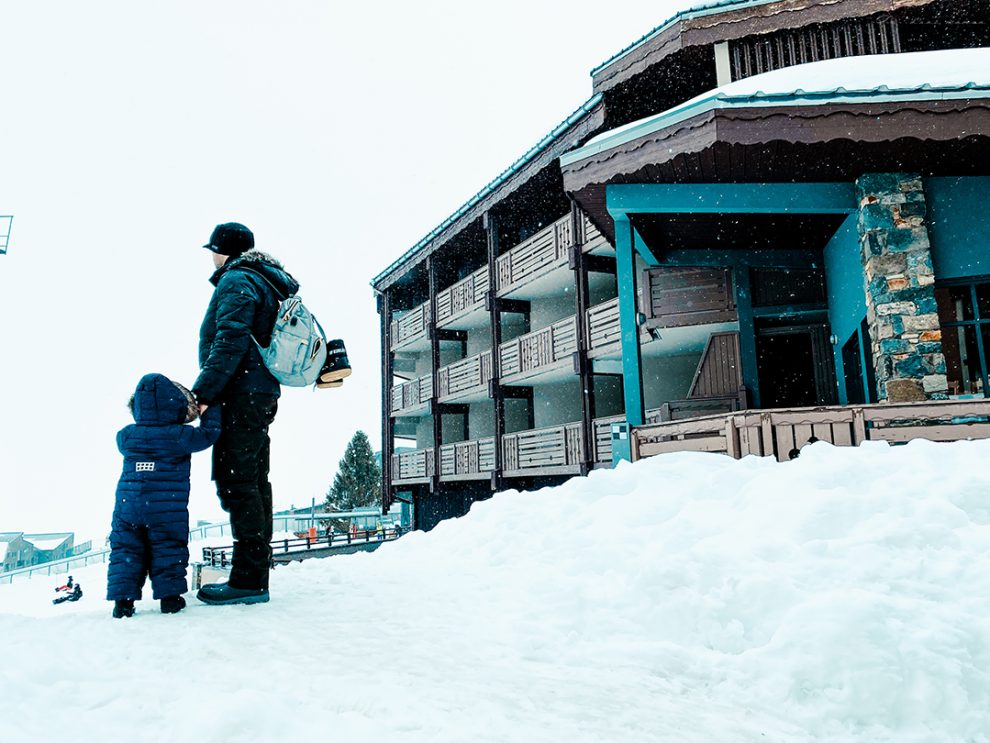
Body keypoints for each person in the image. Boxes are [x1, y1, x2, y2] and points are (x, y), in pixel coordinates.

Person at [106, 374, 221, 618]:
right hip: (166, 507)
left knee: (126, 550)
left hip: (128, 505)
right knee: (168, 546)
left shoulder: (126, 436)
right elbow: (209, 434)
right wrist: (209, 409)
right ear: (175, 405)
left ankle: (122, 603)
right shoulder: (180, 435)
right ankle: (170, 598)